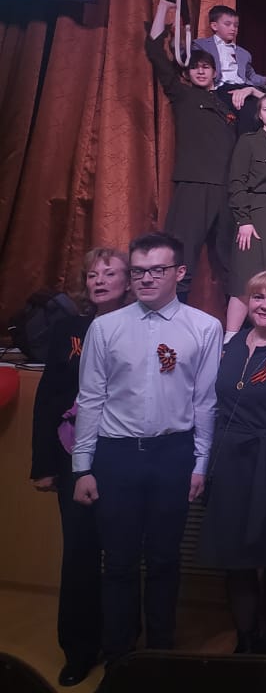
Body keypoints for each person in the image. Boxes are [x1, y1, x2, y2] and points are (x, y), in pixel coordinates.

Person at [72, 233, 222, 666]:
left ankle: (159, 655)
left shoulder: (204, 327)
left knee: (164, 560)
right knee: (118, 562)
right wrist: (82, 467)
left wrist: (201, 463)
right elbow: (90, 399)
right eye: (138, 271)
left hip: (173, 455)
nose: (146, 279)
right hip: (116, 455)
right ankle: (119, 657)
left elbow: (205, 402)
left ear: (179, 273)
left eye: (157, 270)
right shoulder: (106, 327)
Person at [30, 248, 131, 687]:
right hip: (72, 457)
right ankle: (78, 649)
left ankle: (122, 646)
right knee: (79, 555)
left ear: (129, 282)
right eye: (92, 274)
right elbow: (49, 397)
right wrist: (44, 464)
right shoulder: (68, 330)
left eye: (110, 273)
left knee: (123, 557)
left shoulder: (140, 327)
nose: (100, 280)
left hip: (124, 456)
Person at [198, 269, 266, 655]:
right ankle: (245, 643)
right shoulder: (230, 344)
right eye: (258, 297)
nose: (265, 305)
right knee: (237, 558)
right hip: (232, 461)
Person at [143, 22, 236, 300]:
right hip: (195, 184)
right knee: (181, 253)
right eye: (195, 67)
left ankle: (242, 321)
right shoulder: (183, 95)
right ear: (187, 72)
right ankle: (170, 311)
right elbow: (155, 52)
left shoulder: (226, 102)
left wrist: (252, 91)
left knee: (232, 260)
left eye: (206, 67)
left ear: (215, 72)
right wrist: (164, 8)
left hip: (227, 188)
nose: (200, 71)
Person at [227, 94, 266, 333]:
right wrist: (243, 220)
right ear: (259, 114)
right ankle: (230, 338)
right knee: (245, 279)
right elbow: (237, 182)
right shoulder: (249, 142)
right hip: (255, 216)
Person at [191, 5, 266, 136]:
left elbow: (250, 75)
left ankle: (258, 144)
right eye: (228, 24)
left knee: (263, 110)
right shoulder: (201, 45)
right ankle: (244, 145)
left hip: (243, 87)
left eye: (236, 25)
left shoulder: (243, 53)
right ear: (214, 26)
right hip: (221, 88)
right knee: (247, 112)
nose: (233, 28)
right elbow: (187, 59)